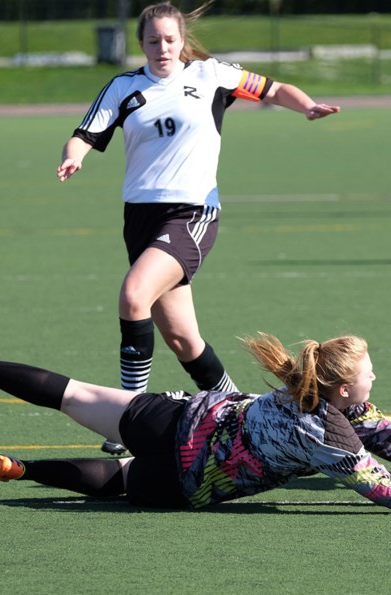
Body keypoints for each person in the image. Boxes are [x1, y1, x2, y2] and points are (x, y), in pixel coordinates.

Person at [56, 2, 340, 455]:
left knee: (133, 296)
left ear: (182, 40)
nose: (163, 48)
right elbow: (87, 133)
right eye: (153, 41)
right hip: (141, 219)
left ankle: (126, 419)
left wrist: (305, 106)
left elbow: (272, 88)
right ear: (141, 43)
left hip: (192, 214)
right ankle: (240, 410)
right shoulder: (124, 88)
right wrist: (76, 155)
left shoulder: (211, 75)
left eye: (170, 40)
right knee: (184, 339)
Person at [0, 337, 391, 513]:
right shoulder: (332, 436)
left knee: (75, 393)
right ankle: (20, 472)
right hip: (195, 479)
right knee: (119, 482)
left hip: (180, 416)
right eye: (371, 371)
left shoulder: (320, 393)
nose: (377, 377)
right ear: (345, 387)